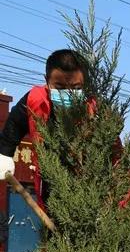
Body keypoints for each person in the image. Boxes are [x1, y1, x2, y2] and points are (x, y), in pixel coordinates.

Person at [0, 49, 90, 208]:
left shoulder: (94, 111)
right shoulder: (35, 100)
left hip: (87, 190)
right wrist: (5, 153)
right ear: (47, 82)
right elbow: (14, 122)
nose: (67, 93)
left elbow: (115, 158)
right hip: (48, 181)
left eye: (76, 88)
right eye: (60, 87)